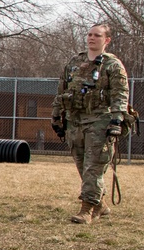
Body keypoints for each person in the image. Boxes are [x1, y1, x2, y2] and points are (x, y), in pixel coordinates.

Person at [51, 23, 129, 224]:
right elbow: (62, 90)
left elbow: (120, 94)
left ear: (107, 40)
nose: (92, 38)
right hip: (75, 121)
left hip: (100, 120)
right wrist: (56, 116)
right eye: (90, 34)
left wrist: (116, 120)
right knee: (82, 165)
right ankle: (100, 205)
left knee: (93, 167)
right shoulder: (75, 62)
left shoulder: (112, 65)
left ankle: (87, 209)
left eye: (97, 35)